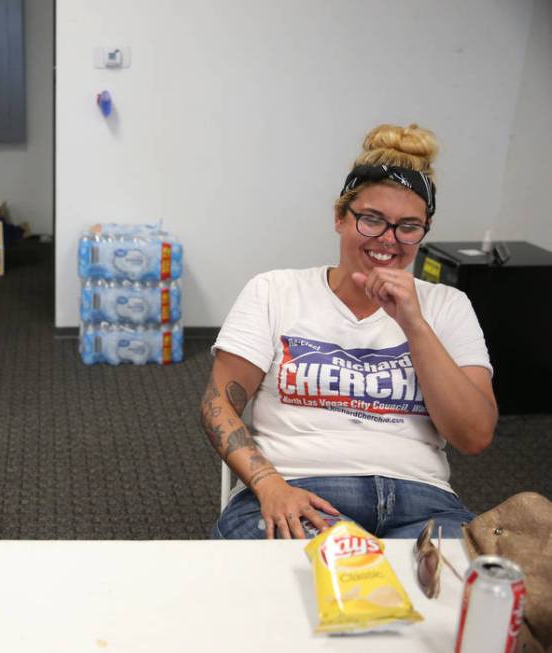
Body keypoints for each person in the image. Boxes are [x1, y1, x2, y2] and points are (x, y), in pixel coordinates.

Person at [202, 123, 496, 540]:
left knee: (470, 596)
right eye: (372, 220)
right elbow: (218, 406)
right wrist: (269, 485)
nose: (388, 240)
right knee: (303, 596)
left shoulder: (447, 306)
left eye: (408, 227)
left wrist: (415, 325)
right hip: (302, 490)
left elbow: (475, 435)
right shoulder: (275, 290)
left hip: (423, 503)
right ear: (340, 217)